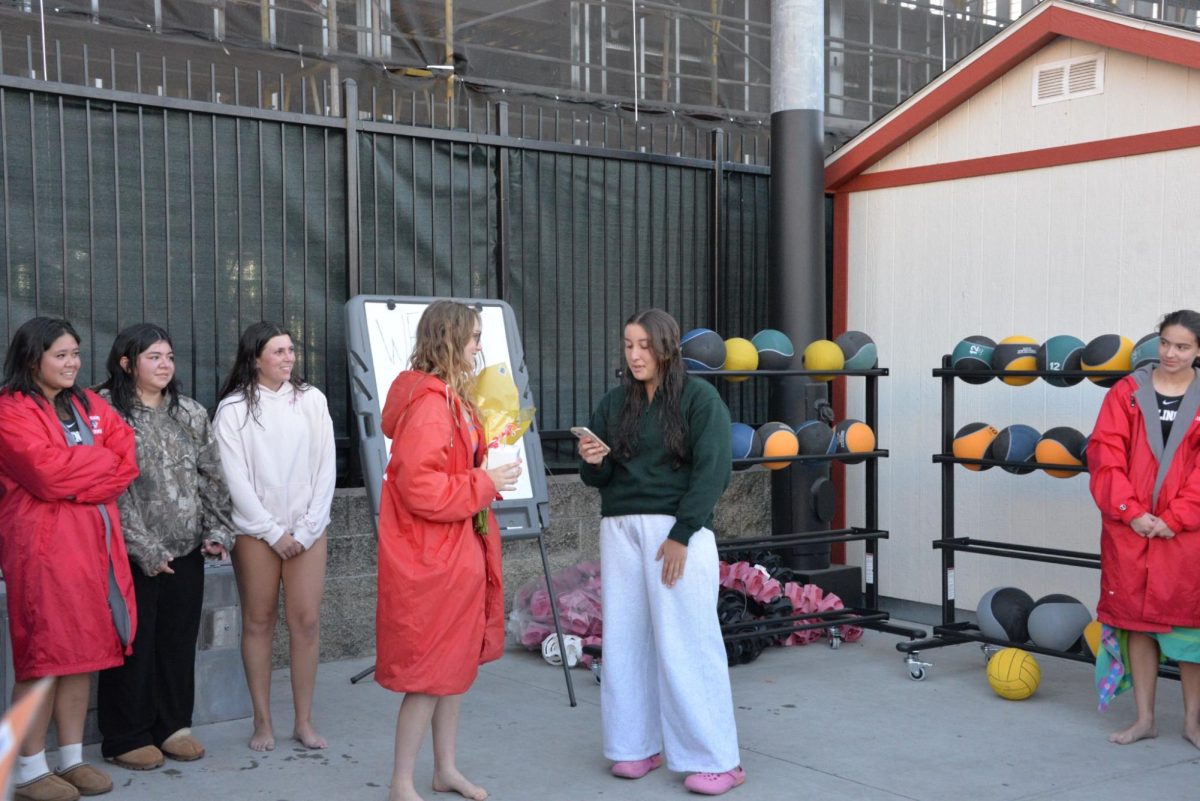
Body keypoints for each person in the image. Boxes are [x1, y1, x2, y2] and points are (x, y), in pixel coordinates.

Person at [578, 308, 745, 796]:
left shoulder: (700, 399)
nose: (634, 355)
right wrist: (593, 462)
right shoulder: (614, 404)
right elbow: (600, 479)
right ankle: (636, 746)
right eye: (628, 345)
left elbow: (713, 471)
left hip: (678, 531)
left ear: (667, 347)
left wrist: (684, 532)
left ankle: (720, 758)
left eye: (644, 346)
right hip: (620, 528)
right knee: (626, 640)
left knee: (688, 641)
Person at [376, 300, 521, 801]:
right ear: (450, 339)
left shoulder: (443, 397)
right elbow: (422, 488)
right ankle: (401, 782)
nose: (479, 346)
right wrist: (485, 480)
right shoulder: (433, 404)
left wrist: (480, 470)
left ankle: (444, 770)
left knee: (452, 669)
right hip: (435, 554)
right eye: (474, 336)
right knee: (430, 672)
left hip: (450, 549)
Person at [0, 317, 139, 801]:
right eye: (61, 355)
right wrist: (94, 466)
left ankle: (72, 759)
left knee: (83, 655)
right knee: (43, 660)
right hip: (42, 551)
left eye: (75, 354)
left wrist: (81, 474)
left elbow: (127, 461)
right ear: (30, 358)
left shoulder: (88, 403)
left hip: (94, 548)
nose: (72, 363)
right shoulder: (10, 410)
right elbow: (45, 475)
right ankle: (27, 769)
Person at [95, 323, 237, 770]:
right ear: (126, 362)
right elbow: (109, 489)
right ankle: (126, 735)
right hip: (129, 551)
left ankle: (173, 725)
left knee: (177, 639)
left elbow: (212, 475)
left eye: (169, 357)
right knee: (132, 643)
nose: (165, 365)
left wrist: (217, 531)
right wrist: (144, 548)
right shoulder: (102, 410)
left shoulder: (189, 411)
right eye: (153, 357)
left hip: (187, 548)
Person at [213, 322, 336, 752]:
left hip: (308, 532)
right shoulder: (232, 410)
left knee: (305, 622)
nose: (288, 358)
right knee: (259, 622)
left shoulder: (313, 401)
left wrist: (304, 529)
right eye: (278, 351)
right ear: (255, 358)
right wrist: (270, 530)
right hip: (256, 534)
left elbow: (326, 469)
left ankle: (304, 721)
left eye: (290, 350)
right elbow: (235, 479)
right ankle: (262, 722)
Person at [1089, 309, 1200, 747]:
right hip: (1129, 529)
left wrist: (1176, 519)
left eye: (1183, 346)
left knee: (1191, 629)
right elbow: (1104, 454)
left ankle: (1193, 723)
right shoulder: (1127, 392)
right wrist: (1130, 511)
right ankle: (1145, 720)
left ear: (1198, 351)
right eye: (1165, 343)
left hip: (1187, 536)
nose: (1171, 353)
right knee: (1136, 624)